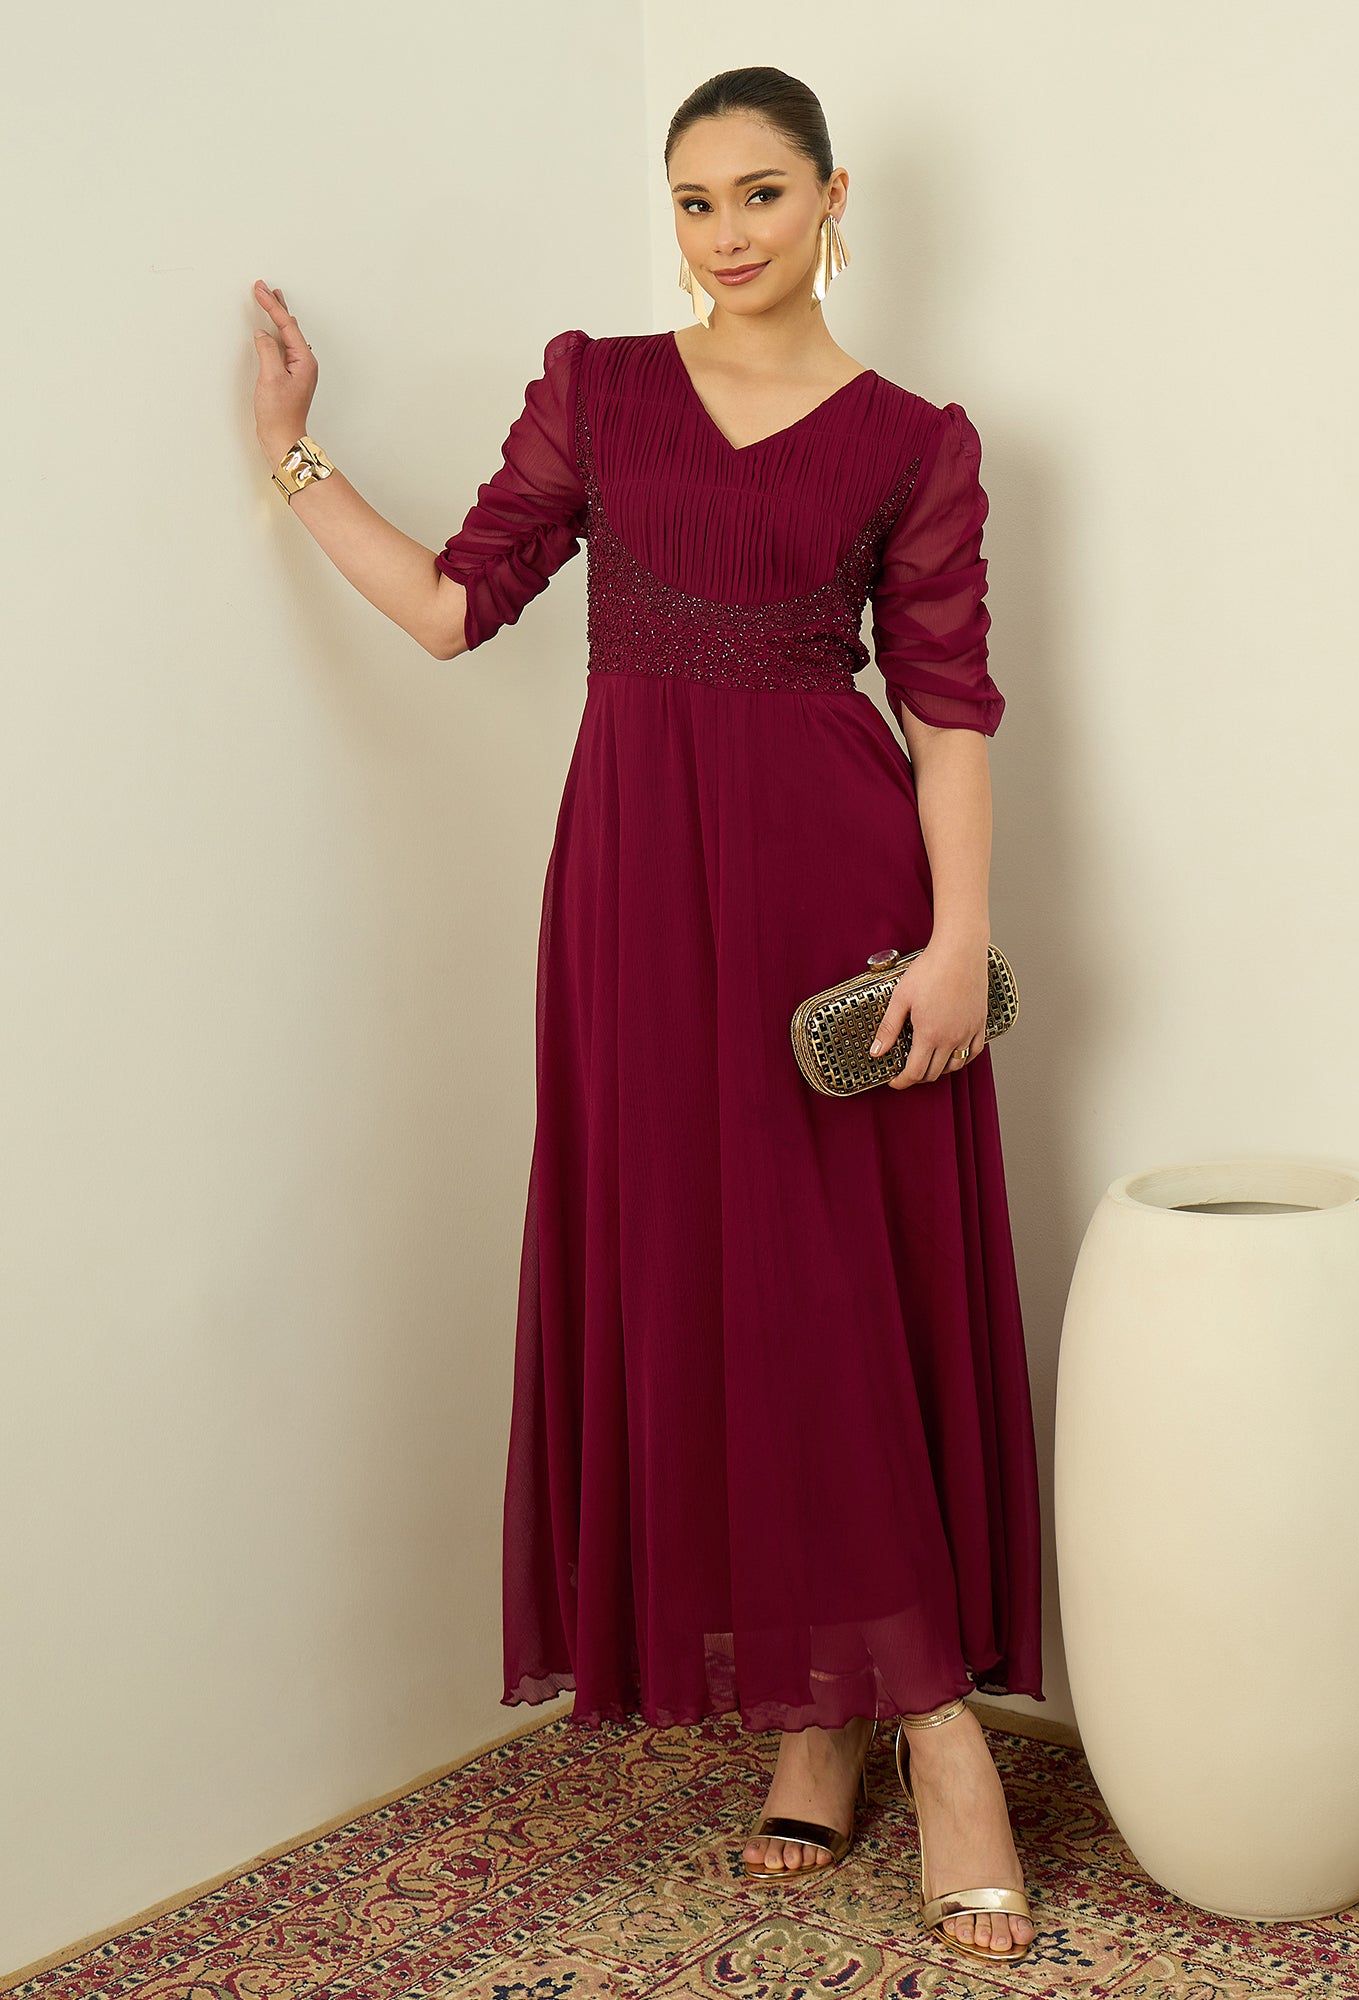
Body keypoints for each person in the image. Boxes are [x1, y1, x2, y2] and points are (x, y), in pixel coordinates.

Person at [250, 62, 1044, 1971]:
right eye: (694, 200)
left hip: (836, 905)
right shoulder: (598, 391)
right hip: (634, 904)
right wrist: (293, 456)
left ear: (834, 196)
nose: (727, 233)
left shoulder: (916, 440)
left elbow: (947, 711)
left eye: (762, 192)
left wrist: (958, 941)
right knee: (711, 1288)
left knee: (834, 1300)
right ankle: (817, 1718)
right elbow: (455, 610)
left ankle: (940, 1737)